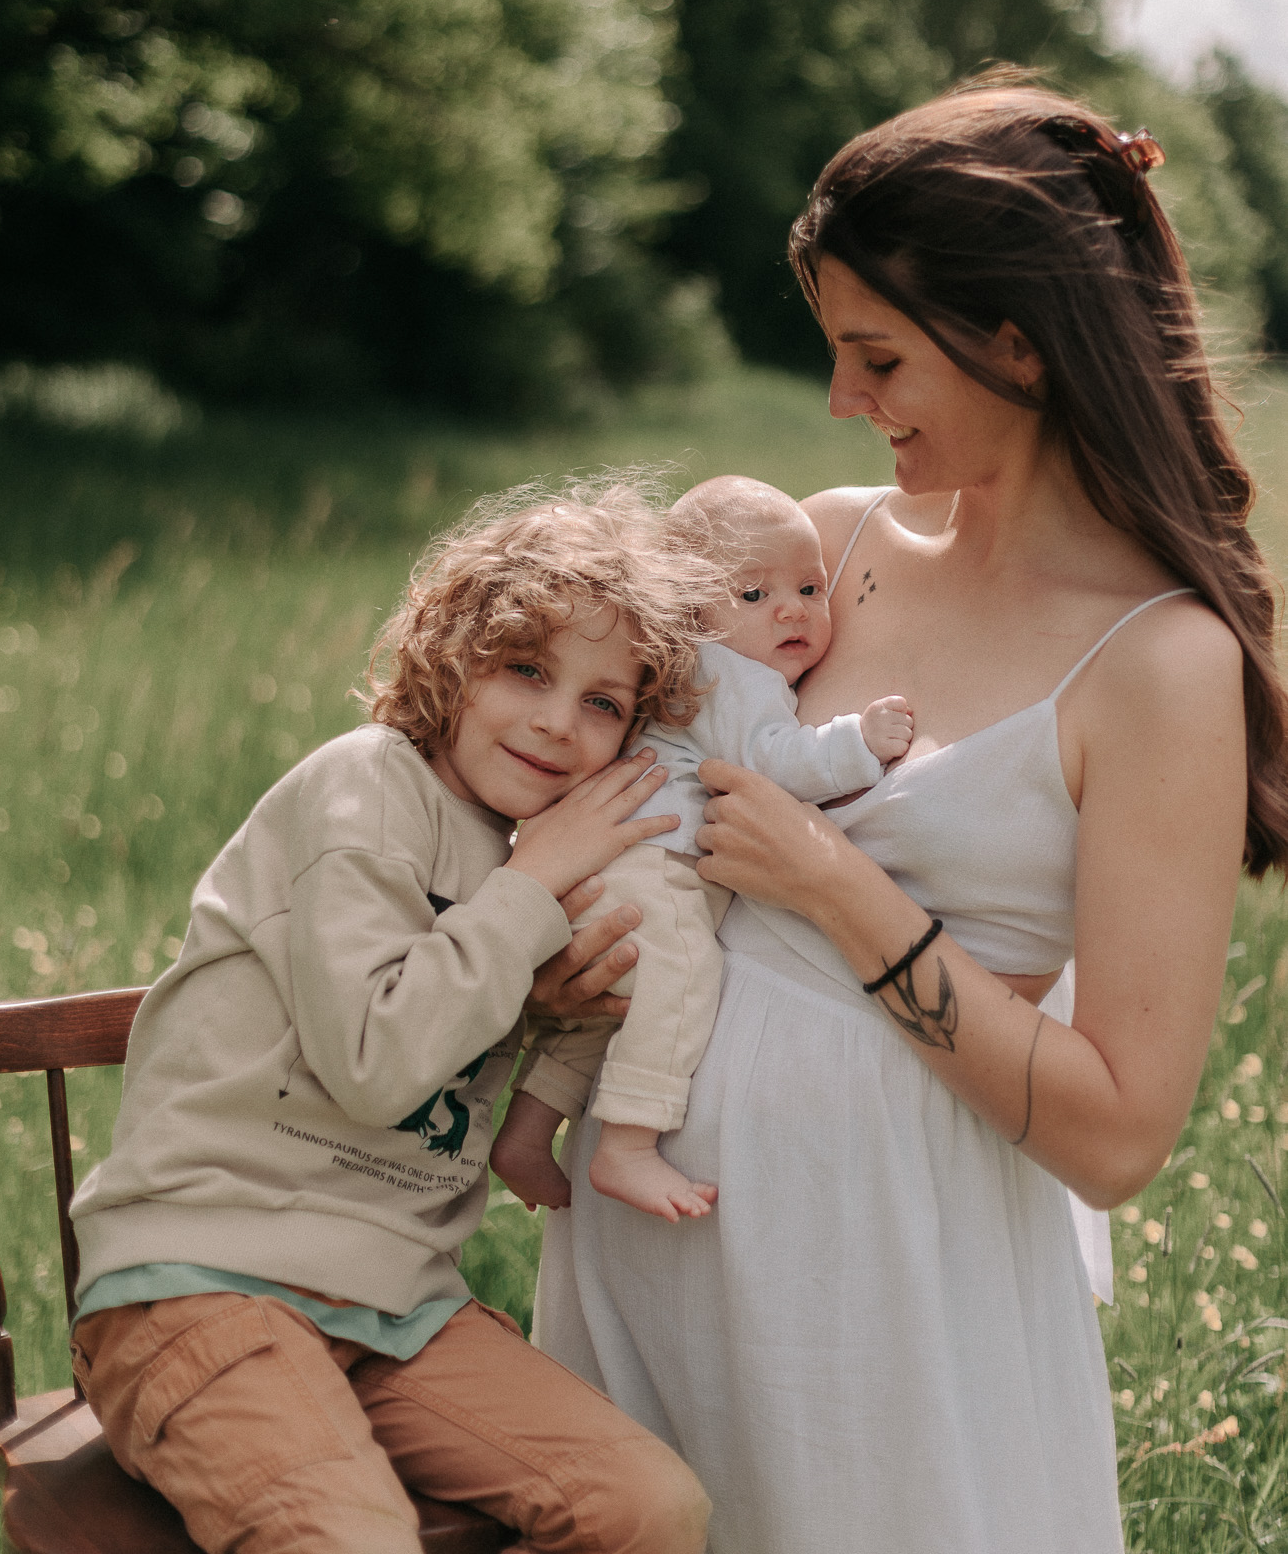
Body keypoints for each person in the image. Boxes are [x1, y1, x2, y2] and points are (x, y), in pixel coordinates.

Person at [531, 80, 1288, 1554]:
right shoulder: (811, 555)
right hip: (649, 1236)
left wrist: (834, 884)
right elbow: (601, 775)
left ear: (1016, 342)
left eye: (874, 356)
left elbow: (1120, 1135)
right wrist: (565, 962)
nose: (838, 402)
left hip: (891, 1289)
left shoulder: (1155, 663)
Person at [67, 481, 713, 1554]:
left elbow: (523, 999)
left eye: (604, 703)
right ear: (451, 655)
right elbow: (374, 1063)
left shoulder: (518, 849)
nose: (558, 721)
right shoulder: (368, 789)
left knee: (647, 1507)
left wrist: (554, 976)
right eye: (526, 669)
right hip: (201, 1282)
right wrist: (534, 889)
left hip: (395, 1309)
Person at [492, 475, 911, 1223]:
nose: (789, 609)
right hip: (656, 865)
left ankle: (525, 1135)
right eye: (751, 596)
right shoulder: (728, 673)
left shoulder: (703, 670)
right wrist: (857, 743)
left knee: (609, 1014)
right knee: (681, 978)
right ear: (691, 613)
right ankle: (625, 1146)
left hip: (614, 867)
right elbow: (772, 762)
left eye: (809, 587)